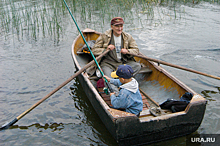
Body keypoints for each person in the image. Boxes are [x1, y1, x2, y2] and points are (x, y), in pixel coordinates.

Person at [90, 17, 141, 95]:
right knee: (108, 78)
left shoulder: (127, 36)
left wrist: (128, 51)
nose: (120, 28)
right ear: (112, 26)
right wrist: (106, 49)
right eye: (117, 26)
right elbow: (94, 50)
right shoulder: (104, 36)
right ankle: (116, 94)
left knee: (137, 66)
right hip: (108, 64)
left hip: (123, 63)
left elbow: (136, 50)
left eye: (121, 26)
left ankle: (119, 80)